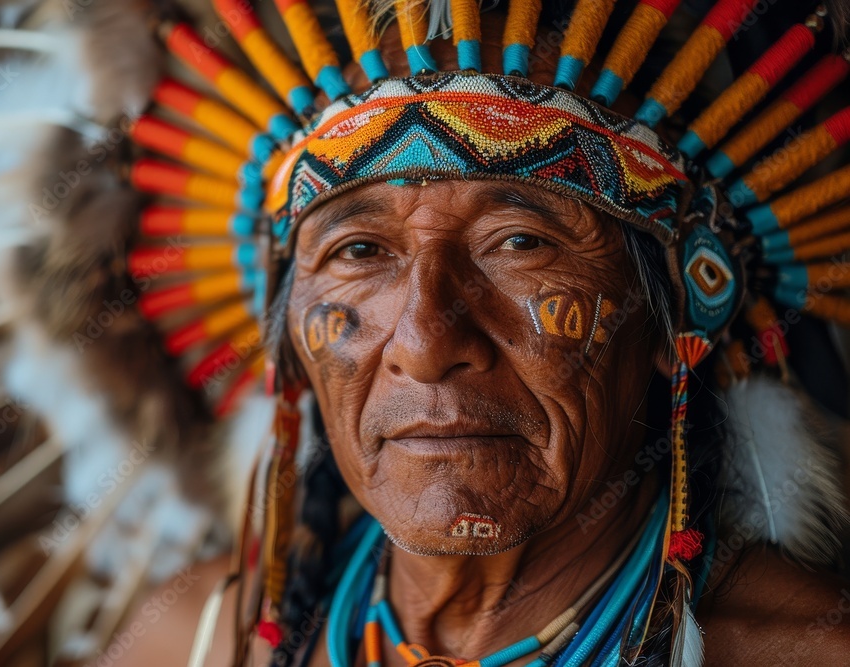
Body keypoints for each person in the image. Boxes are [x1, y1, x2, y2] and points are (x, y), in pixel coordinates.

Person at [118, 1, 850, 665]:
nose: (426, 344)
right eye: (359, 251)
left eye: (521, 242)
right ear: (289, 334)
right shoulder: (192, 641)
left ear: (680, 309)